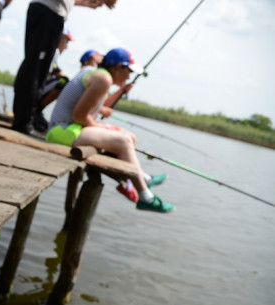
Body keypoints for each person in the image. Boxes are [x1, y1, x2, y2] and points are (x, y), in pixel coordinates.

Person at [46, 47, 173, 213]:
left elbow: (94, 108)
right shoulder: (103, 79)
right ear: (118, 67)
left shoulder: (98, 75)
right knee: (123, 141)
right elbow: (79, 115)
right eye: (128, 71)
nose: (128, 76)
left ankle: (137, 180)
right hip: (61, 130)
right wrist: (102, 126)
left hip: (72, 127)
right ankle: (145, 196)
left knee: (130, 137)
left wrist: (117, 97)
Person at [11, 0, 117, 135]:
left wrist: (87, 3)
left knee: (35, 67)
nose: (66, 46)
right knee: (36, 69)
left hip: (49, 11)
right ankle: (23, 120)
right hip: (49, 12)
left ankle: (24, 118)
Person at [33, 28, 74, 132]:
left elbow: (57, 71)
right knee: (64, 82)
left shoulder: (50, 51)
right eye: (66, 42)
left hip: (32, 88)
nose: (66, 47)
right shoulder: (54, 52)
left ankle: (36, 110)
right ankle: (36, 111)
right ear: (61, 38)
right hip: (34, 88)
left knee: (65, 81)